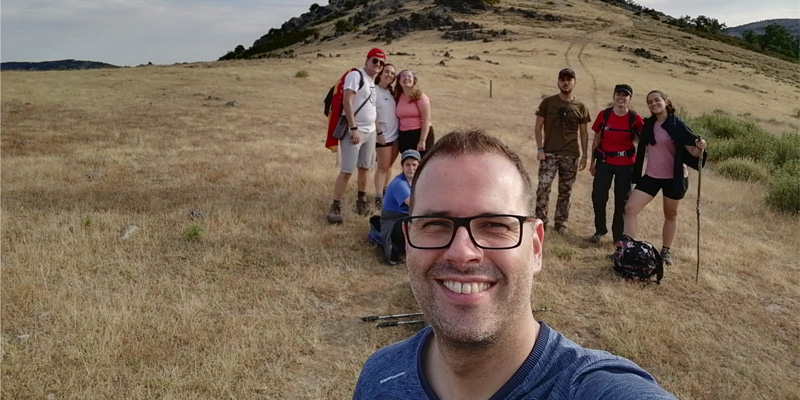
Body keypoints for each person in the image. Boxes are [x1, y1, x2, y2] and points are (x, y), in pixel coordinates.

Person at [353, 130, 677, 399]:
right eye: (435, 223)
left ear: (535, 247)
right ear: (409, 241)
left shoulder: (593, 389)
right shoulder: (379, 377)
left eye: (494, 225)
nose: (462, 252)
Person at [622, 90, 707, 265]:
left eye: (657, 100)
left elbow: (692, 151)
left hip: (674, 177)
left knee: (670, 215)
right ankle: (626, 249)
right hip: (652, 175)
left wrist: (700, 147)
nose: (653, 104)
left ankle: (666, 252)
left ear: (666, 101)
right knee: (630, 208)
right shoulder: (649, 125)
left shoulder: (677, 124)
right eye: (650, 102)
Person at [326, 48, 386, 224]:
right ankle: (335, 206)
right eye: (375, 61)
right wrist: (353, 128)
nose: (378, 65)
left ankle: (362, 201)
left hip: (370, 132)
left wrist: (378, 132)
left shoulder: (372, 82)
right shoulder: (356, 76)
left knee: (365, 168)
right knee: (347, 170)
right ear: (367, 60)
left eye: (381, 63)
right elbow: (347, 101)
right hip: (355, 131)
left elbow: (372, 109)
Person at [533, 68, 591, 235]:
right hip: (549, 153)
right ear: (558, 82)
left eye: (569, 79)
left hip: (571, 154)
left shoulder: (581, 106)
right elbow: (538, 127)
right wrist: (540, 149)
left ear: (575, 83)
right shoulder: (548, 102)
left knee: (566, 190)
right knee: (543, 187)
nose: (566, 82)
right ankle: (540, 221)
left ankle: (561, 222)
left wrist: (584, 156)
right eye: (562, 79)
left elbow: (584, 133)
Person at [588, 84, 644, 243]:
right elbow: (597, 139)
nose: (621, 98)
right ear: (614, 96)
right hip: (605, 162)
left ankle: (618, 237)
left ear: (630, 98)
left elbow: (645, 139)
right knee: (598, 197)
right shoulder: (604, 115)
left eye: (625, 95)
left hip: (625, 165)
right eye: (618, 94)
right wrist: (592, 161)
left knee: (622, 201)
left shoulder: (634, 118)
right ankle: (600, 230)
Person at [378, 149, 420, 264]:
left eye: (414, 164)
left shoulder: (418, 181)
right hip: (393, 223)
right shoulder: (399, 184)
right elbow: (415, 205)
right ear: (402, 166)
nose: (411, 168)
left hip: (406, 218)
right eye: (407, 165)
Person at [373, 63, 400, 210]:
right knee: (382, 167)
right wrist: (378, 132)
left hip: (395, 135)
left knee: (389, 166)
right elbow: (372, 114)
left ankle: (385, 191)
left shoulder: (391, 92)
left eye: (392, 73)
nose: (389, 75)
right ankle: (378, 197)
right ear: (380, 73)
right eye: (387, 72)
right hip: (383, 136)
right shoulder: (374, 91)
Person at [395, 69, 434, 158]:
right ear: (399, 80)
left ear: (414, 80)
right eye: (403, 76)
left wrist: (422, 140)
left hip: (420, 133)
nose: (406, 78)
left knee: (422, 164)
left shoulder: (420, 96)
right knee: (408, 163)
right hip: (404, 135)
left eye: (409, 76)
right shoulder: (398, 96)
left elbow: (426, 120)